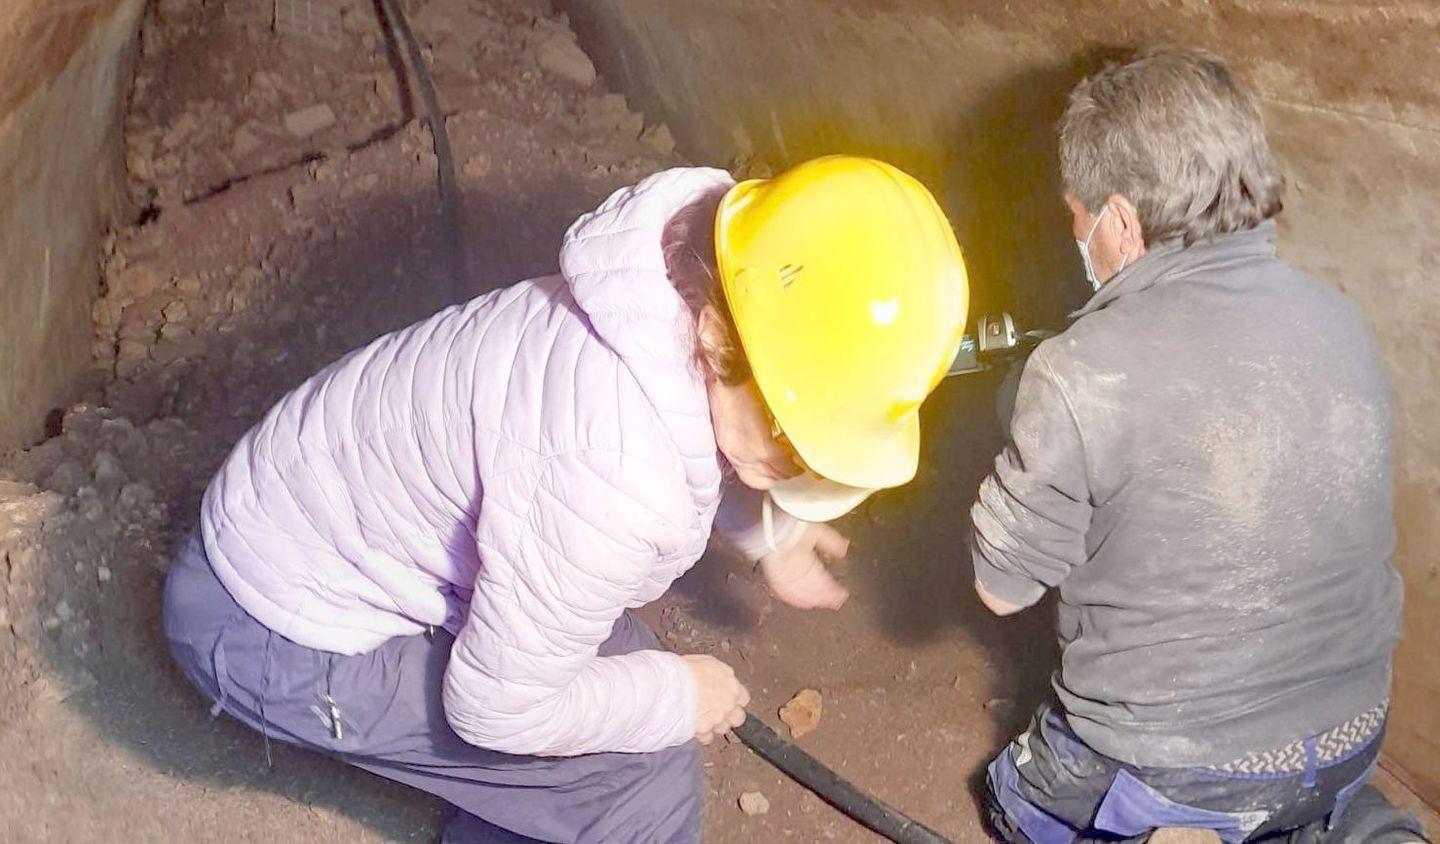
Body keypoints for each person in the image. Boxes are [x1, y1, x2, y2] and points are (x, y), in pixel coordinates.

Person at [162, 156, 969, 843]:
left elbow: (695, 429)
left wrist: (769, 529)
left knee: (604, 659)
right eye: (798, 436)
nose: (802, 466)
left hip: (301, 513)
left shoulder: (682, 281)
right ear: (722, 338)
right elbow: (496, 709)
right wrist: (680, 694)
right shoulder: (612, 471)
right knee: (644, 783)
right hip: (265, 626)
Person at [971, 47, 1425, 842]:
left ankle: (1180, 828)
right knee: (1295, 798)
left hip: (1174, 764)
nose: (1075, 231)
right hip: (1356, 729)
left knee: (1013, 796)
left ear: (1118, 220)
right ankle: (1347, 823)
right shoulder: (1342, 318)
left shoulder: (1078, 371)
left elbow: (1001, 590)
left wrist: (1022, 438)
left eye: (1075, 213)